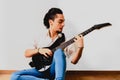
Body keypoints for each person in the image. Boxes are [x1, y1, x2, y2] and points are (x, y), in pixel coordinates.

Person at [10, 7, 84, 80]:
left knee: (59, 52)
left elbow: (74, 61)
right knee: (14, 76)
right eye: (60, 21)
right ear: (51, 22)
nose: (63, 24)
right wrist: (39, 50)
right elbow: (26, 53)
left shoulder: (65, 40)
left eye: (63, 22)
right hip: (40, 71)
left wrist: (80, 48)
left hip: (54, 71)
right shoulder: (39, 36)